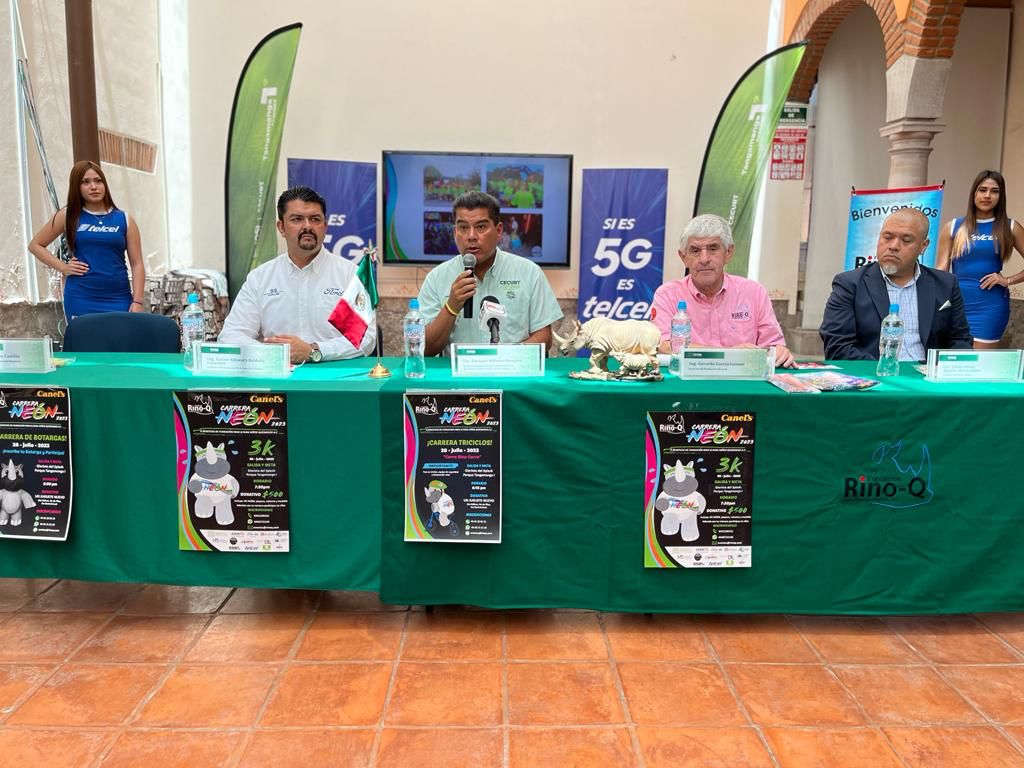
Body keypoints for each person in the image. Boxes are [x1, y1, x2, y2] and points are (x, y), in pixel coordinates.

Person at [218, 186, 375, 363]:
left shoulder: (349, 275)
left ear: (325, 227)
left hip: (336, 374)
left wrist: (314, 351)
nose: (307, 226)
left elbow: (365, 338)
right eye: (297, 219)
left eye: (315, 219)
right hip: (278, 374)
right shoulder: (260, 278)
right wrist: (273, 354)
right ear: (281, 227)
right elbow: (231, 335)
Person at [418, 191, 562, 356]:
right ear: (455, 232)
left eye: (481, 227)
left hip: (511, 370)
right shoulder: (436, 278)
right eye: (463, 227)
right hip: (456, 372)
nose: (471, 236)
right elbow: (425, 349)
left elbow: (544, 337)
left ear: (499, 231)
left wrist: (503, 360)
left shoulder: (529, 273)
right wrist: (451, 307)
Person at [820, 208, 973, 360]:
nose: (893, 246)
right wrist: (887, 368)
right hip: (875, 372)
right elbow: (837, 347)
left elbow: (960, 340)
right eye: (887, 237)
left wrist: (941, 368)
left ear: (923, 246)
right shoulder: (849, 284)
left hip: (928, 373)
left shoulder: (946, 284)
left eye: (906, 240)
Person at [651, 213, 796, 367]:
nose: (704, 259)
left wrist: (780, 352)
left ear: (728, 253)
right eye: (695, 250)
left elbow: (772, 347)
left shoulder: (754, 293)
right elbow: (663, 347)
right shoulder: (667, 295)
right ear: (683, 257)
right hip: (687, 380)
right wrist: (730, 354)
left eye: (713, 249)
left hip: (742, 380)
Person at [28, 160, 145, 321]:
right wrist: (63, 267)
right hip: (80, 297)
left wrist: (137, 301)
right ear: (77, 187)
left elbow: (137, 263)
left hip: (119, 298)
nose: (93, 186)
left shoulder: (124, 219)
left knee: (120, 338)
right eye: (86, 182)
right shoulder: (68, 215)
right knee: (85, 338)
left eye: (98, 181)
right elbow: (35, 245)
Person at [936, 170, 1024, 348]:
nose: (987, 195)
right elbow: (941, 269)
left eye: (994, 191)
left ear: (1001, 196)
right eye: (982, 190)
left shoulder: (1010, 227)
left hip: (990, 306)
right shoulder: (953, 227)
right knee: (953, 360)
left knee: (981, 361)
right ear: (974, 193)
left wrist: (1007, 280)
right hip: (955, 304)